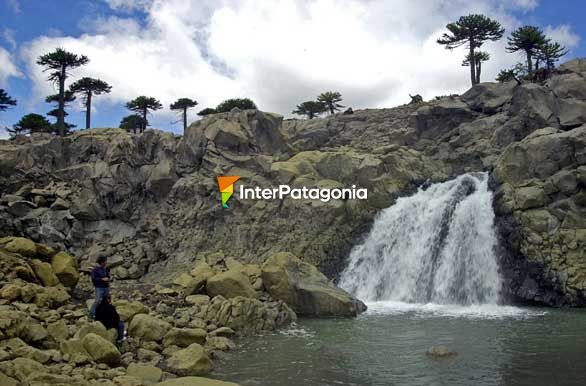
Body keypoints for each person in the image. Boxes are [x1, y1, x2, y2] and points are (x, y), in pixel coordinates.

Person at [89, 255, 110, 320]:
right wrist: (102, 279)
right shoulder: (95, 270)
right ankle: (91, 314)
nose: (106, 262)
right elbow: (93, 279)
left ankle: (103, 314)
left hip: (106, 287)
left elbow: (108, 276)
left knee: (106, 301)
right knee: (97, 301)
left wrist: (108, 279)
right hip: (99, 288)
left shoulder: (106, 269)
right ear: (101, 262)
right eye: (105, 261)